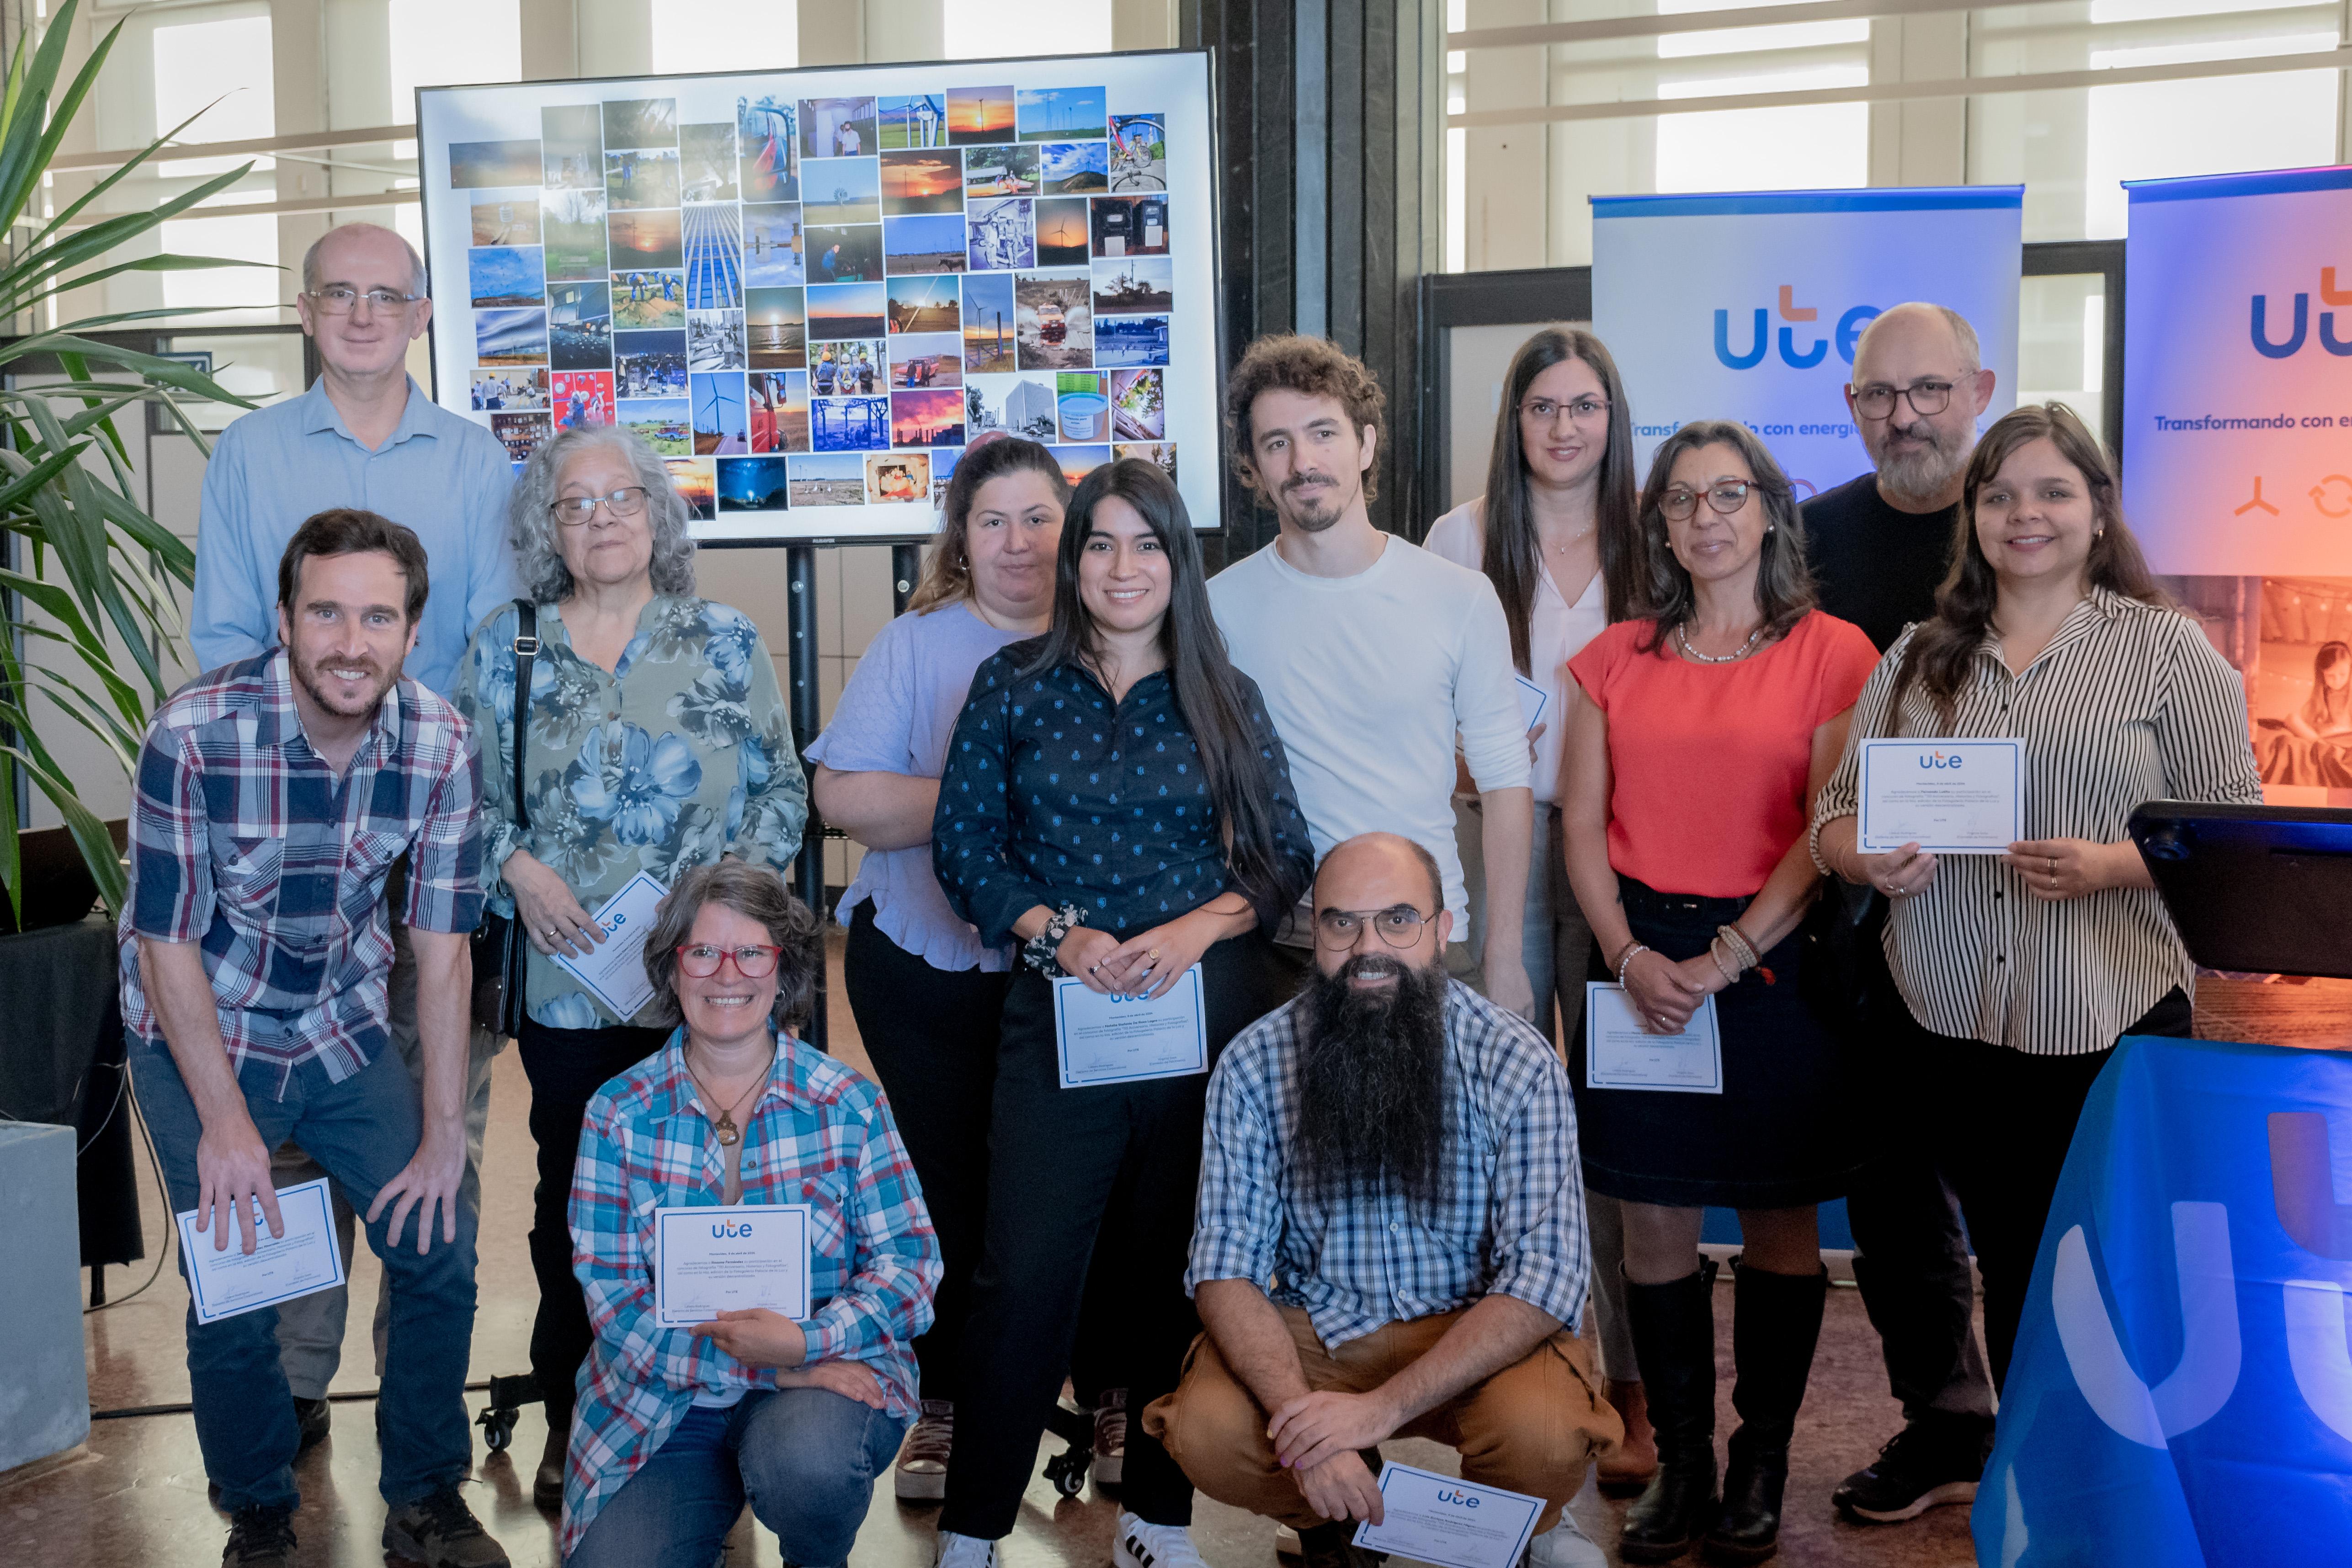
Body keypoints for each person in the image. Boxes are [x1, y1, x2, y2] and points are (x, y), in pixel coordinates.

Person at [1809, 401, 2261, 1400]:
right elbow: (1830, 821)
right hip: (1945, 1016)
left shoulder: (2165, 652)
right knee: (2006, 1261)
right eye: (1999, 494)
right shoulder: (1919, 656)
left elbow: (2230, 837)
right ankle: (2013, 1481)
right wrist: (1866, 859)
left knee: (2097, 1274)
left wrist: (2108, 866)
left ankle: (2089, 1495)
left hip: (2103, 1014)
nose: (2025, 514)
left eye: (2052, 491)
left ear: (2096, 511)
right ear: (1970, 516)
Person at [931, 458, 1315, 1568]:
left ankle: (1156, 1519)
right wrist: (1061, 935)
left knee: (1169, 1273)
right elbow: (965, 851)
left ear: (1175, 563)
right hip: (1056, 1022)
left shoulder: (1222, 694)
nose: (1121, 565)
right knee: (1022, 1275)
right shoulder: (1011, 684)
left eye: (1145, 543)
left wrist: (1198, 930)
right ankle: (973, 1532)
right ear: (1071, 560)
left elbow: (1283, 858)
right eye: (1098, 543)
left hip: (1199, 1027)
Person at [122, 510, 508, 1568]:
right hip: (201, 1020)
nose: (351, 640)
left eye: (377, 616)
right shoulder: (194, 733)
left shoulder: (438, 741)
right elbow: (165, 944)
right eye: (325, 611)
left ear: (412, 632)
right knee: (238, 1275)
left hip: (338, 1022)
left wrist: (440, 1136)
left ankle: (425, 1494)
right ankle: (257, 1507)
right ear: (285, 622)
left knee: (438, 1242)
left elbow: (442, 951)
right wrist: (227, 1127)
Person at [188, 220, 518, 1453]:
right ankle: (295, 1381)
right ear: (306, 308)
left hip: (425, 826)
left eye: (389, 296)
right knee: (290, 1138)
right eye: (341, 293)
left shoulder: (479, 464)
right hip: (280, 846)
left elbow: (488, 659)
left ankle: (419, 1409)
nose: (365, 314)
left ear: (423, 315)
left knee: (440, 1121)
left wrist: (419, 782)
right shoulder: (250, 452)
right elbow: (226, 639)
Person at [454, 423, 807, 1509]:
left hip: (711, 989)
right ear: (544, 526)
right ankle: (578, 1422)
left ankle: (719, 1427)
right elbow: (460, 804)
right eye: (574, 502)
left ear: (656, 513)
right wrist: (518, 868)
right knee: (580, 1215)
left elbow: (780, 796)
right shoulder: (504, 645)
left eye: (621, 498)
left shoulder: (724, 639)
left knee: (718, 1207)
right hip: (571, 994)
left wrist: (719, 913)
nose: (600, 518)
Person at [1561, 421, 1879, 1564]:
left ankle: (1759, 1465)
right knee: (1652, 1221)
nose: (1704, 518)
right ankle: (1684, 1466)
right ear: (1657, 524)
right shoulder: (1611, 660)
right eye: (1681, 500)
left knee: (1779, 1224)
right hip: (1641, 963)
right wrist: (1628, 957)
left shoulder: (1838, 654)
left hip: (1774, 962)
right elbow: (1586, 835)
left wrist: (1729, 957)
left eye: (1727, 495)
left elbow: (1824, 827)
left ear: (1768, 513)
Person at [1144, 833, 1620, 1568]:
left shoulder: (1516, 1060)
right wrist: (1307, 1436)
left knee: (1544, 1438)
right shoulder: (1253, 1063)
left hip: (1474, 1325)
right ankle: (1330, 1513)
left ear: (1441, 928)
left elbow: (1544, 1275)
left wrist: (1381, 1410)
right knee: (1208, 1430)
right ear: (1315, 933)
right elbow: (1224, 1269)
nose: (1369, 947)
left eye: (1398, 920)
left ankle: (1518, 1526)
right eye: (1342, 922)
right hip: (1324, 1326)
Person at [808, 435, 1075, 1498]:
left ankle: (1104, 1395)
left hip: (1077, 973)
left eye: (1038, 518)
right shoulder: (918, 643)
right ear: (960, 537)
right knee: (946, 1194)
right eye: (992, 520)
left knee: (1072, 1190)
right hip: (923, 967)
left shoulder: (1126, 631)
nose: (1017, 543)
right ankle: (943, 1403)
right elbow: (844, 801)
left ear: (1075, 522)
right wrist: (993, 813)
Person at [1421, 327, 1656, 1493]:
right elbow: (1427, 699)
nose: (1564, 428)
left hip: (1627, 854)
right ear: (1512, 421)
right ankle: (1497, 1366)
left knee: (1614, 1120)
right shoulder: (1459, 541)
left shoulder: (1654, 539)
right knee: (1501, 1111)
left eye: (1586, 406)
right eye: (1542, 407)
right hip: (1495, 847)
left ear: (1614, 419)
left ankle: (1626, 1383)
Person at [559, 860, 941, 1566]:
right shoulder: (618, 1113)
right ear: (672, 969)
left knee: (808, 1465)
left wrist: (808, 1344)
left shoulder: (848, 1102)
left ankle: (814, 1558)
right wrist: (779, 1366)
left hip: (823, 1385)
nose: (726, 974)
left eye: (750, 952)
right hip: (662, 1402)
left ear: (782, 968)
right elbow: (614, 1306)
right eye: (702, 952)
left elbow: (912, 1270)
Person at [1799, 303, 2005, 1525]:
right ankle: (1945, 1420)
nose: (1905, 417)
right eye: (1880, 397)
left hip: (2027, 914)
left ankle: (2049, 1417)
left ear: (1977, 387)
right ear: (1852, 408)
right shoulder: (1814, 535)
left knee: (2024, 1186)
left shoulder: (2028, 515)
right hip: (1869, 919)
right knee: (1887, 1189)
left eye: (1928, 391)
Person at [1209, 335, 1537, 1018]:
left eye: (1321, 433)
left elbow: (1506, 784)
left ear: (1364, 444)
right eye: (1276, 443)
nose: (1302, 462)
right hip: (1282, 947)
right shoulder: (1216, 610)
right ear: (1252, 468)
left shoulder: (1459, 596)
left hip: (1427, 943)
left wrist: (1505, 958)